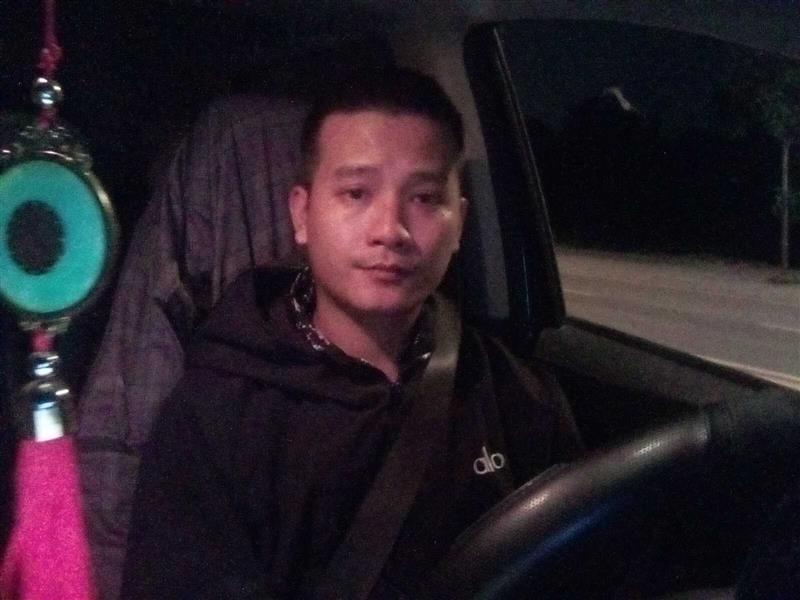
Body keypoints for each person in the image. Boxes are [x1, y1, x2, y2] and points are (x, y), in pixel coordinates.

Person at [121, 67, 584, 599]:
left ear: (459, 222)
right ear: (302, 214)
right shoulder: (215, 419)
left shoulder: (519, 394)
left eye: (424, 198)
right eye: (357, 193)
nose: (391, 230)